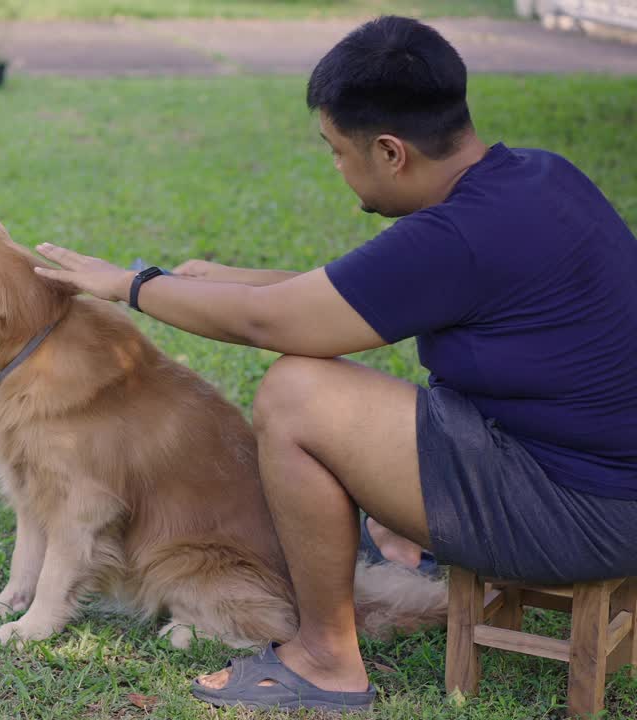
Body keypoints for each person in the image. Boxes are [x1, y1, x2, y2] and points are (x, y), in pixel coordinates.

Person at [33, 15, 637, 713]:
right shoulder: (533, 179)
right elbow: (352, 290)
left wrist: (132, 286)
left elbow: (279, 323)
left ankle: (325, 661)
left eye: (335, 151)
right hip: (597, 480)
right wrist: (212, 278)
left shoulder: (458, 237)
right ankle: (404, 539)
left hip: (582, 516)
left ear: (389, 152)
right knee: (364, 400)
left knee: (298, 394)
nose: (336, 166)